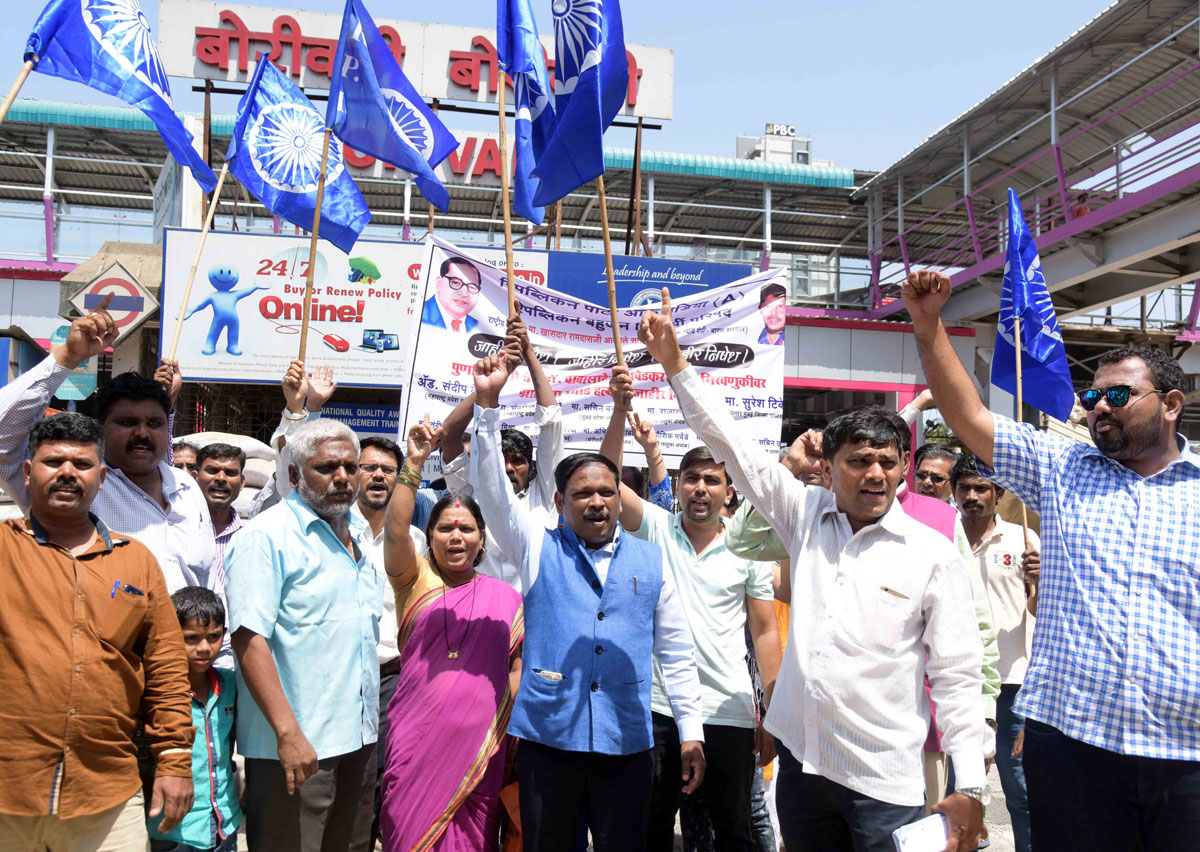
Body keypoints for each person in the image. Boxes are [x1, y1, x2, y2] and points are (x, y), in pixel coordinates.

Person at [639, 289, 991, 852]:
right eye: (857, 461)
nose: (874, 474)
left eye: (886, 462)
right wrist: (676, 365)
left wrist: (969, 783)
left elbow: (956, 674)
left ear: (904, 467)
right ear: (828, 468)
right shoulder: (805, 514)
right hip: (804, 770)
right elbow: (729, 444)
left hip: (885, 784)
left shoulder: (933, 554)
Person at [904, 268, 1200, 851]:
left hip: (1186, 757)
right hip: (1073, 747)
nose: (1099, 408)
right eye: (1092, 398)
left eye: (1118, 395)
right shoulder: (1061, 469)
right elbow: (969, 417)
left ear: (1170, 404)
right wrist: (927, 324)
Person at [470, 352, 705, 852]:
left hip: (628, 744)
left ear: (620, 500)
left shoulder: (651, 559)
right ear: (559, 503)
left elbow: (678, 653)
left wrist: (691, 729)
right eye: (582, 494)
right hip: (549, 742)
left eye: (606, 492)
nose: (597, 501)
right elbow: (491, 494)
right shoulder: (536, 544)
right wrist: (487, 409)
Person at [603, 366, 781, 852]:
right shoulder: (657, 528)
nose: (700, 488)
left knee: (735, 832)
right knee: (651, 828)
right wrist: (619, 412)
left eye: (712, 480)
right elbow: (607, 482)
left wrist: (771, 712)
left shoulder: (751, 551)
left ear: (729, 492)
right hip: (659, 707)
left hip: (729, 710)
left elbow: (765, 632)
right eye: (692, 479)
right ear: (678, 485)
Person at [0, 412, 194, 850]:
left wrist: (175, 761)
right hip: (7, 789)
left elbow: (165, 669)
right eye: (53, 462)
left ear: (101, 478)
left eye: (82, 465)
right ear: (28, 472)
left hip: (104, 790)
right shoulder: (4, 549)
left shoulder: (136, 561)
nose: (68, 473)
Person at [225, 419, 381, 852]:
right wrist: (288, 733)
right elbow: (248, 638)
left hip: (357, 737)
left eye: (352, 467)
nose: (343, 479)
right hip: (295, 745)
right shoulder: (266, 537)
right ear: (293, 475)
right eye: (327, 467)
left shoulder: (359, 534)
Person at [0, 302, 219, 597]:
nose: (142, 433)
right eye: (127, 422)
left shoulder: (186, 488)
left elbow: (209, 585)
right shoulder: (74, 485)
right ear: (101, 426)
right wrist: (67, 357)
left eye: (154, 423)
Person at [378, 419, 523, 851]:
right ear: (431, 537)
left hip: (485, 748)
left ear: (482, 542)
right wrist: (414, 465)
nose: (455, 537)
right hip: (415, 741)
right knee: (408, 833)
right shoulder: (413, 579)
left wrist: (508, 733)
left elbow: (516, 668)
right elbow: (396, 530)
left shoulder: (506, 598)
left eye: (466, 530)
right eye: (445, 528)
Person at [440, 313, 565, 592]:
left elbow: (552, 423)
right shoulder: (471, 490)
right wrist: (490, 386)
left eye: (518, 461)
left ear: (532, 468)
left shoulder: (545, 495)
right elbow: (448, 434)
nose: (508, 469)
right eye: (502, 461)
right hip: (483, 617)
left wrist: (529, 352)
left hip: (536, 619)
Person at [951, 454, 1038, 852]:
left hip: (1013, 680)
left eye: (981, 488)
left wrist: (1036, 581)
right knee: (956, 784)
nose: (972, 496)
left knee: (1018, 784)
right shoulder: (939, 537)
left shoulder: (1025, 541)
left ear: (998, 493)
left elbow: (1042, 610)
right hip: (955, 677)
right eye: (964, 487)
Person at [349, 434, 430, 852]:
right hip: (341, 677)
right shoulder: (331, 528)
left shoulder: (415, 542)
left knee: (387, 776)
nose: (378, 476)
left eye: (388, 470)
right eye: (369, 467)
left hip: (392, 679)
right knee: (344, 778)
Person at [149, 587, 241, 852]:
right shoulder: (158, 692)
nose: (204, 648)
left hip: (226, 822)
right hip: (175, 831)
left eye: (213, 637)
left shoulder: (230, 685)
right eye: (191, 638)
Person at [192, 443, 246, 588]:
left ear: (241, 483)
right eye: (212, 470)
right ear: (194, 477)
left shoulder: (250, 538)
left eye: (230, 473)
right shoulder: (177, 529)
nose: (221, 478)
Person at [421, 256, 481, 333]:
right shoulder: (420, 315)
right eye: (456, 283)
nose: (464, 294)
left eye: (472, 287)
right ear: (439, 283)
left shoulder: (478, 327)